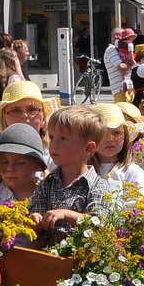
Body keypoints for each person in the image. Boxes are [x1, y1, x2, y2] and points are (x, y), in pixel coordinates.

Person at [28, 105, 104, 245]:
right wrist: (36, 220)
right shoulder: (47, 183)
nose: (53, 144)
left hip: (82, 257)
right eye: (52, 137)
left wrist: (66, 214)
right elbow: (37, 227)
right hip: (48, 255)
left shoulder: (97, 186)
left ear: (88, 148)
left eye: (63, 138)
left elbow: (99, 225)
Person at [90, 102, 144, 202]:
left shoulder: (132, 172)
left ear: (125, 136)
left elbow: (140, 204)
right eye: (103, 133)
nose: (110, 139)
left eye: (116, 133)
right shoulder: (83, 169)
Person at [104, 28, 137, 100]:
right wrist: (133, 64)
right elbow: (121, 66)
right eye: (123, 36)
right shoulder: (111, 49)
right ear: (116, 36)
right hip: (120, 89)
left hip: (130, 87)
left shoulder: (123, 48)